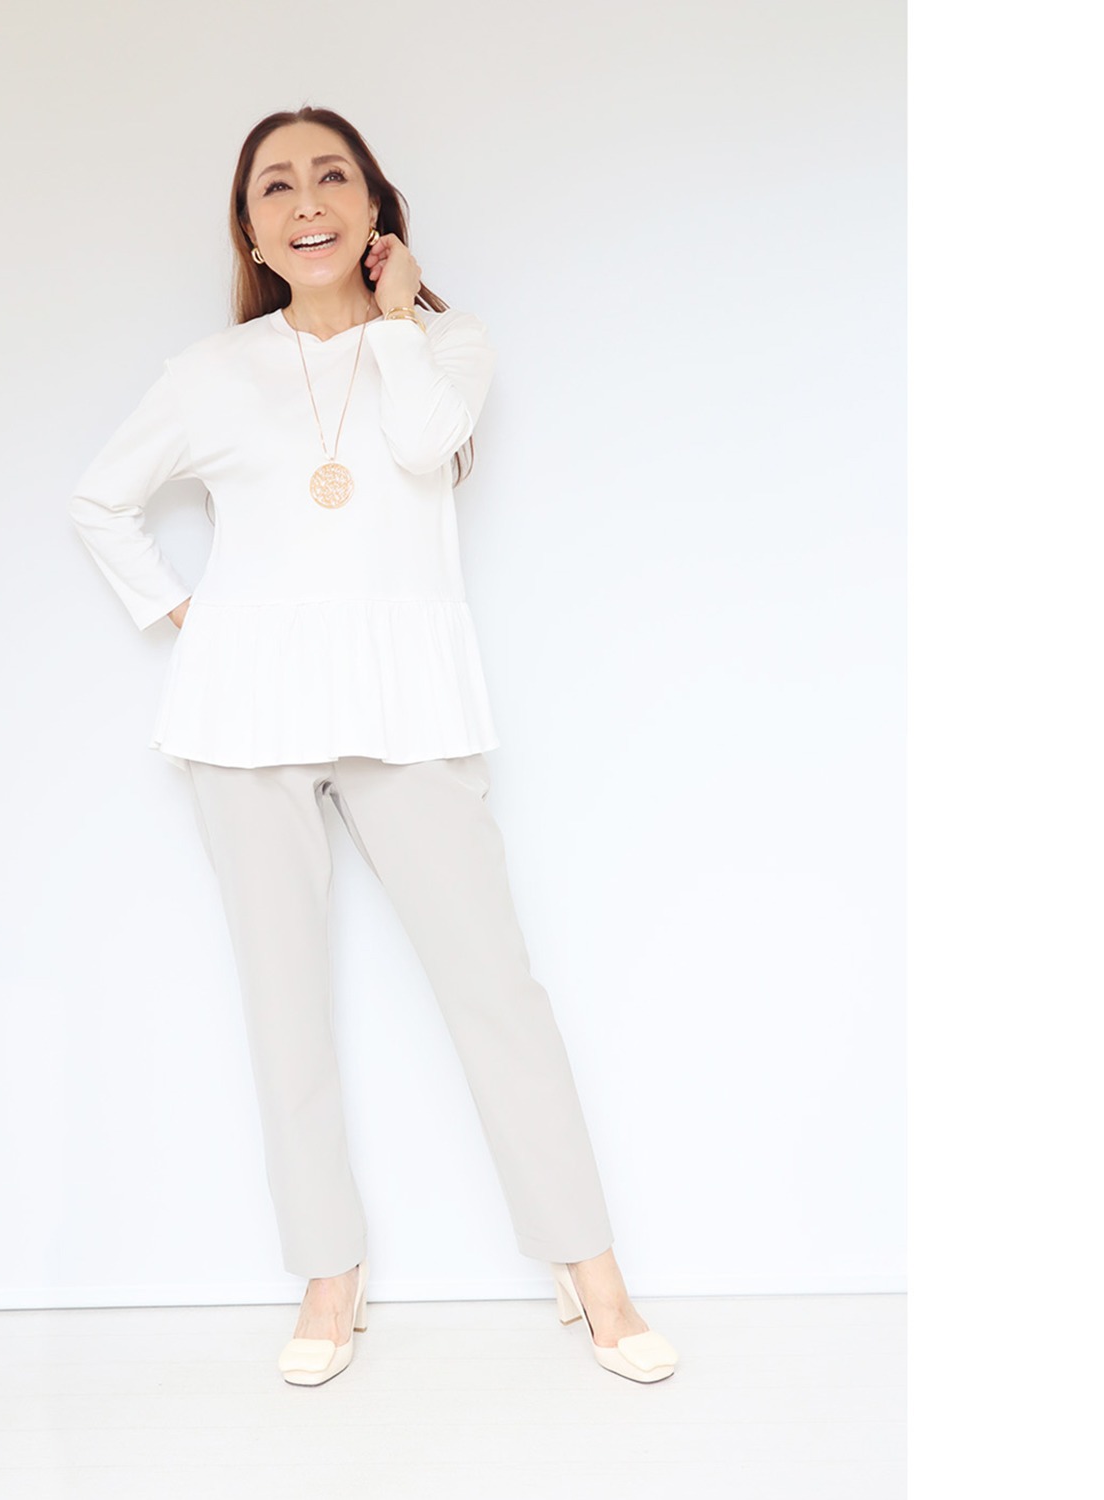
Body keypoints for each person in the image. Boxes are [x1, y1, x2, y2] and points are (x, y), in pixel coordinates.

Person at [67, 106, 678, 1388]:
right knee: (283, 1004)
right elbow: (101, 500)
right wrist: (190, 620)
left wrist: (397, 317)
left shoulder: (446, 346)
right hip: (246, 723)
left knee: (495, 991)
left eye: (332, 176)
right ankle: (328, 1273)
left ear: (376, 208)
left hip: (409, 708)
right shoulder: (208, 374)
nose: (307, 201)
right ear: (250, 231)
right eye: (276, 186)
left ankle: (593, 1272)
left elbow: (420, 446)